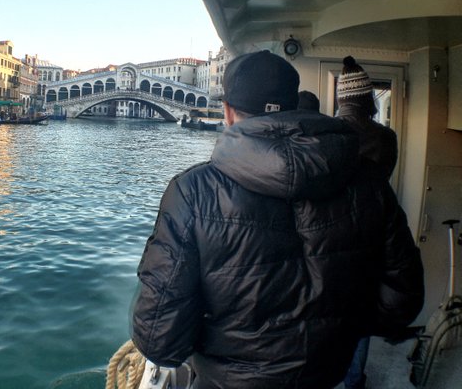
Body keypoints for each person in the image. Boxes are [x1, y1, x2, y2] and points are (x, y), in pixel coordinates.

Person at [130, 50, 424, 389]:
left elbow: (159, 340)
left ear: (227, 112)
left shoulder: (192, 192)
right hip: (328, 376)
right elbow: (402, 302)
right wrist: (336, 329)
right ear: (294, 104)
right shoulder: (369, 182)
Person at [337, 56, 399, 389]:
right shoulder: (386, 139)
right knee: (361, 313)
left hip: (331, 236)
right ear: (368, 97)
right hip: (371, 237)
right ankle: (354, 381)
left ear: (341, 98)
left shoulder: (328, 134)